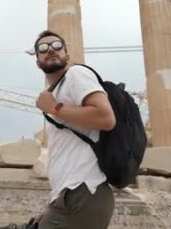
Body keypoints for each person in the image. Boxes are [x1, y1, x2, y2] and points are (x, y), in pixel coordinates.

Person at [32, 30, 116, 229]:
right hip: (70, 196)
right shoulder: (58, 92)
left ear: (67, 55)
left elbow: (106, 118)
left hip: (84, 191)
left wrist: (54, 108)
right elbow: (67, 155)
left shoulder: (76, 74)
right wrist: (54, 202)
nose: (51, 49)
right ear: (38, 62)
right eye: (43, 48)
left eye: (57, 45)